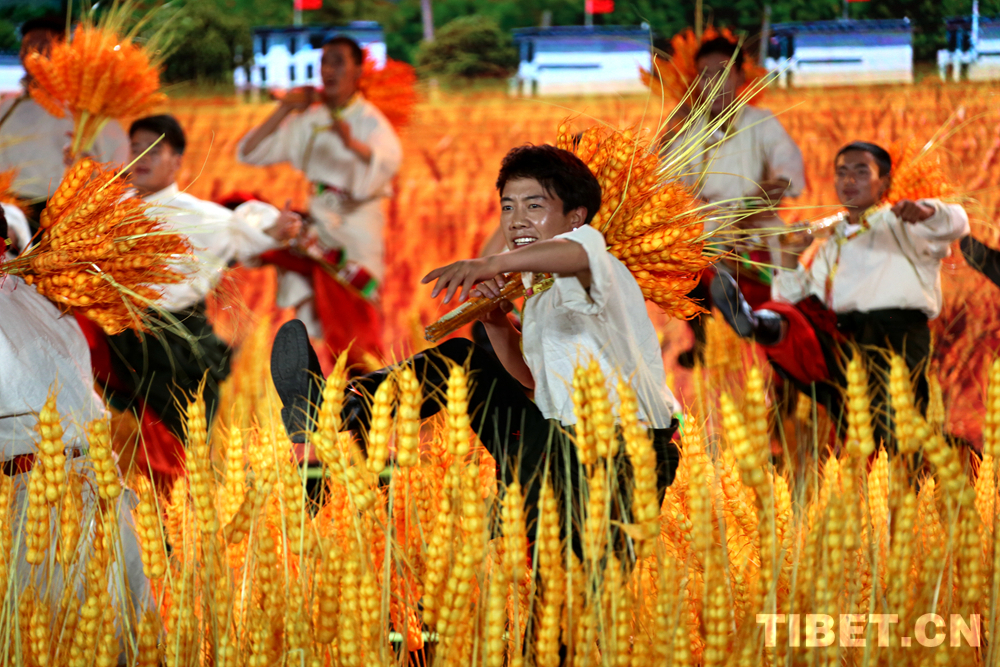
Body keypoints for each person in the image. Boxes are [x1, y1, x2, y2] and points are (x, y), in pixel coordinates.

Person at [271, 144, 681, 561]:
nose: (516, 219)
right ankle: (338, 407)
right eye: (508, 207)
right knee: (462, 362)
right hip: (559, 442)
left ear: (576, 218)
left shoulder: (597, 260)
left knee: (574, 584)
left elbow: (577, 251)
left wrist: (491, 264)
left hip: (626, 453)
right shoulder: (541, 290)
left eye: (534, 206)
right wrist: (496, 322)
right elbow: (533, 383)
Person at [77, 114, 301, 484]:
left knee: (177, 453)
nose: (142, 158)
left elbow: (248, 233)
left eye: (154, 150)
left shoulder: (200, 216)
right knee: (137, 449)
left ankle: (174, 514)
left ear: (177, 160)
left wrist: (275, 230)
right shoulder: (105, 211)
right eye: (136, 149)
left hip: (180, 347)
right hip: (122, 346)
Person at [712, 141, 970, 447]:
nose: (849, 180)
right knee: (796, 325)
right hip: (842, 336)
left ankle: (921, 464)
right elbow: (796, 299)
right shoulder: (830, 244)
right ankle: (756, 324)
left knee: (893, 428)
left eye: (861, 172)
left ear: (884, 182)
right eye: (842, 172)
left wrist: (925, 211)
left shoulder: (901, 222)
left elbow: (956, 221)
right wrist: (789, 260)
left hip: (893, 332)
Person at [0, 205, 151, 656]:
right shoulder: (33, 288)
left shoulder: (34, 288)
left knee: (125, 631)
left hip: (88, 477)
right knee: (72, 638)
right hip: (44, 489)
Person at [237, 35, 402, 369]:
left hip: (358, 227)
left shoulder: (370, 120)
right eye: (324, 61)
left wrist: (351, 143)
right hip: (319, 222)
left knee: (357, 313)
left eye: (338, 61)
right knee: (241, 212)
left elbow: (387, 163)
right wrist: (285, 107)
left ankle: (367, 386)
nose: (328, 69)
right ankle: (325, 384)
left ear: (358, 70)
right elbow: (249, 152)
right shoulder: (310, 119)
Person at [664, 36, 806, 368]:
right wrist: (673, 125)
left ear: (741, 77)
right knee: (676, 257)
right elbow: (664, 178)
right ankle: (702, 340)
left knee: (775, 281)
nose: (713, 83)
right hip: (709, 227)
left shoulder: (761, 121)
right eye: (705, 75)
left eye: (723, 73)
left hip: (756, 225)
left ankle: (766, 332)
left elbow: (789, 171)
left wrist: (760, 201)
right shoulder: (691, 130)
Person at [0, 16, 129, 225]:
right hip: (8, 211)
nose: (32, 55)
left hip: (62, 215)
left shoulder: (85, 111)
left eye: (41, 48)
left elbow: (120, 168)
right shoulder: (6, 107)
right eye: (26, 48)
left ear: (62, 54)